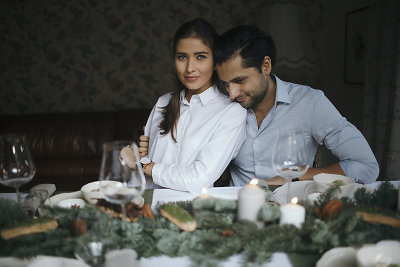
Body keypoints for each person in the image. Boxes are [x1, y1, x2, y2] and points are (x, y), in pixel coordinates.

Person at [211, 25, 379, 186]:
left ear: (266, 66)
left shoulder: (310, 103)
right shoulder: (223, 108)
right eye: (225, 84)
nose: (232, 94)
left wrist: (299, 176)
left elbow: (366, 166)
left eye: (240, 80)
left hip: (293, 206)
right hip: (235, 205)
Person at [129, 19, 247, 193]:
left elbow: (198, 179)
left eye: (200, 57)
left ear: (215, 61)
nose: (190, 68)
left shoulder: (231, 112)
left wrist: (149, 166)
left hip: (192, 212)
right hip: (146, 207)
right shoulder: (163, 102)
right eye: (182, 57)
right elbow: (139, 169)